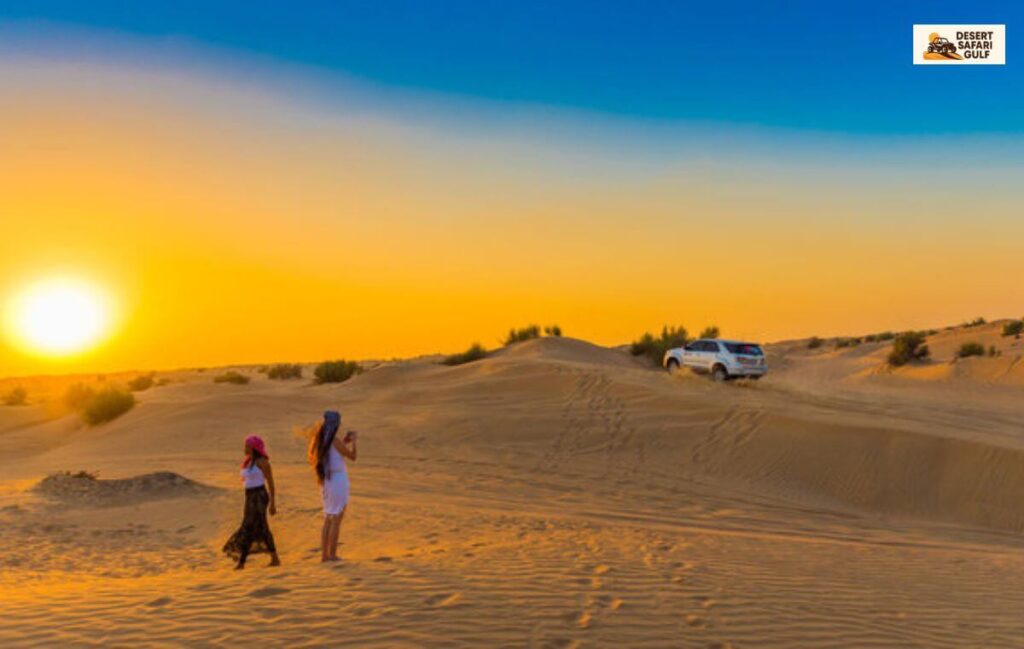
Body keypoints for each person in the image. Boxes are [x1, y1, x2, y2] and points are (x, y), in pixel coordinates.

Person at [223, 435, 280, 570]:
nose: (244, 448)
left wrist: (272, 503)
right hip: (249, 496)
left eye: (247, 446)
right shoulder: (248, 462)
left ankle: (242, 562)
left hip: (259, 496)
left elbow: (271, 482)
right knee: (256, 526)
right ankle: (274, 558)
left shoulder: (262, 462)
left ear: (253, 447)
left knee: (252, 526)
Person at [308, 410, 357, 562]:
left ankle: (325, 556)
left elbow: (335, 451)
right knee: (336, 518)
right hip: (338, 481)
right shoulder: (334, 441)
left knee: (328, 518)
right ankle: (333, 555)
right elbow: (353, 457)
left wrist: (344, 443)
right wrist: (354, 441)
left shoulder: (320, 441)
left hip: (327, 482)